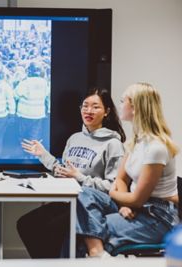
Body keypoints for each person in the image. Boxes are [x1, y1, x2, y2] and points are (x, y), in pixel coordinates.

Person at [17, 87, 126, 258]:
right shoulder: (74, 138)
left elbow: (113, 187)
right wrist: (43, 155)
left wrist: (79, 177)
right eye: (85, 106)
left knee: (50, 229)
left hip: (92, 207)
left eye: (95, 106)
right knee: (26, 224)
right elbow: (64, 171)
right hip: (69, 202)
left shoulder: (113, 144)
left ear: (107, 112)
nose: (88, 111)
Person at [77, 82, 179, 257]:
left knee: (83, 231)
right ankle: (98, 253)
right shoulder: (135, 142)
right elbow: (121, 180)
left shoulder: (156, 148)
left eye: (123, 100)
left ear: (135, 107)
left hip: (157, 217)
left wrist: (116, 195)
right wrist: (124, 204)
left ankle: (96, 253)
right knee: (84, 192)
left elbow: (137, 200)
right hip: (139, 208)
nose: (120, 104)